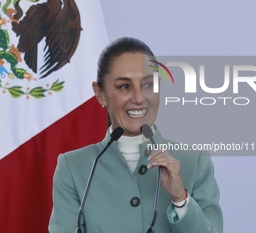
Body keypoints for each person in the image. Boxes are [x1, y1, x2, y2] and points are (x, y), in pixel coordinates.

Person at [48, 37, 223, 233]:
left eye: (148, 85)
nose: (139, 98)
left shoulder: (194, 161)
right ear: (100, 94)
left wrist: (180, 199)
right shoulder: (74, 168)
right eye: (125, 86)